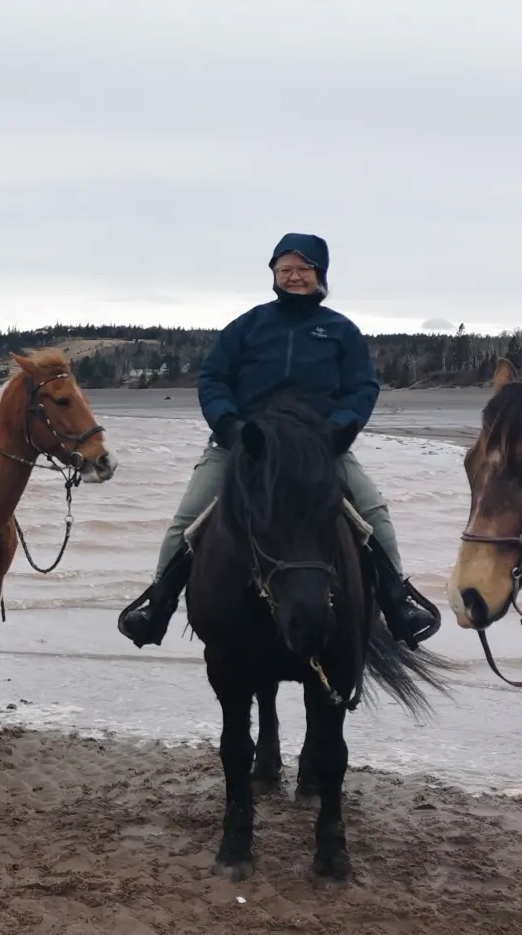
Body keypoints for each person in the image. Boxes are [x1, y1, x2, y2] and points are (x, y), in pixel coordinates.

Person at [118, 233, 439, 649]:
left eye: (303, 269)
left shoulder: (341, 330)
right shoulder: (247, 325)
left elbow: (362, 387)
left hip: (319, 448)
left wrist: (338, 430)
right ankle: (156, 606)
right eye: (284, 269)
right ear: (273, 274)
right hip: (243, 444)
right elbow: (213, 378)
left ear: (320, 275)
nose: (293, 277)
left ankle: (399, 605)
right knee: (188, 520)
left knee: (373, 512)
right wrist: (230, 425)